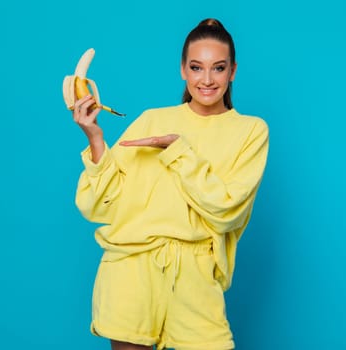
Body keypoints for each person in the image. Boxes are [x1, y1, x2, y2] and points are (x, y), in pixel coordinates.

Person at [72, 18, 269, 350]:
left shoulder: (250, 131)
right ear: (183, 69)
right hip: (130, 268)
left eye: (218, 68)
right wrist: (95, 139)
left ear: (232, 71)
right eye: (196, 67)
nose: (206, 79)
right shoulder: (152, 119)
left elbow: (227, 210)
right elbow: (96, 205)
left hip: (195, 273)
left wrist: (178, 150)